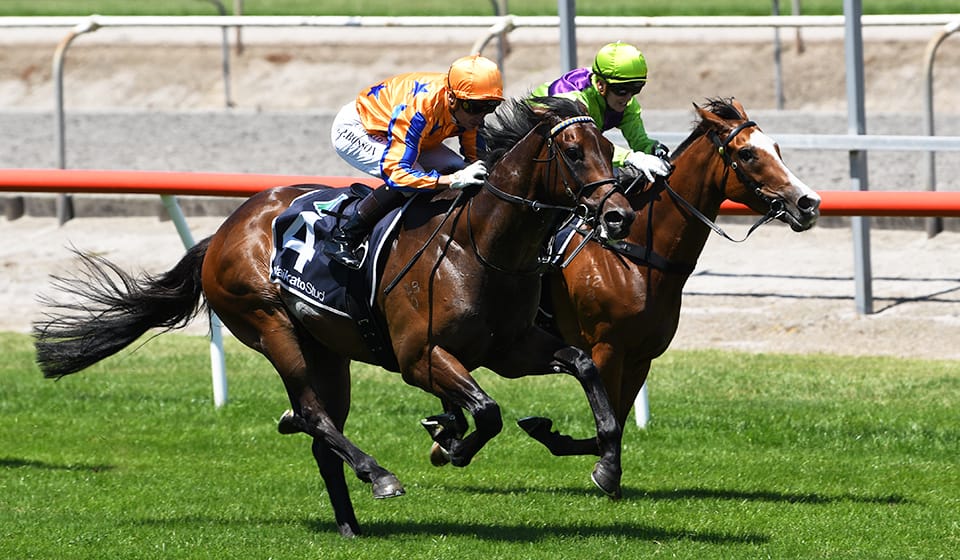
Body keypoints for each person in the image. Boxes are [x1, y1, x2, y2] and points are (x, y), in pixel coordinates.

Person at [325, 53, 504, 269]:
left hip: (411, 134)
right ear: (451, 98)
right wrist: (451, 180)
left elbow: (475, 160)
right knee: (413, 182)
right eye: (474, 107)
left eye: (490, 106)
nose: (481, 115)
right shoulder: (420, 109)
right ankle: (344, 238)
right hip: (360, 128)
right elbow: (398, 173)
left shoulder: (468, 108)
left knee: (461, 168)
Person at [530, 41, 671, 183]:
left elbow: (640, 142)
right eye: (622, 90)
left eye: (636, 89)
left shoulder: (626, 103)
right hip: (533, 140)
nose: (628, 98)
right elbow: (589, 150)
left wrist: (654, 149)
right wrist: (631, 158)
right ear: (601, 85)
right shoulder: (575, 100)